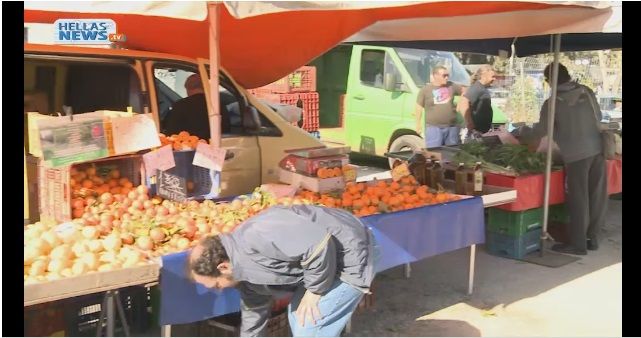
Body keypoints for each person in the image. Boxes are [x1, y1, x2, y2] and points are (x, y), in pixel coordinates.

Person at [188, 205, 377, 337]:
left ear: (223, 267)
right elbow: (254, 312)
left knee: (309, 328)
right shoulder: (242, 274)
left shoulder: (256, 235)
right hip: (325, 265)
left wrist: (314, 291)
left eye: (217, 285)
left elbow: (319, 244)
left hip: (352, 252)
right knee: (297, 316)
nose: (219, 289)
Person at [532, 63, 607, 255]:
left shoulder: (552, 103)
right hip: (597, 149)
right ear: (568, 75)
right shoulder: (587, 92)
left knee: (578, 199)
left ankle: (578, 244)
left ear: (549, 81)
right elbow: (598, 116)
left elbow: (542, 132)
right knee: (597, 196)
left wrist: (522, 134)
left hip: (575, 155)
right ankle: (593, 238)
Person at [162, 74, 231, 139]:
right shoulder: (217, 104)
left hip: (189, 147)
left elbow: (171, 132)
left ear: (187, 88)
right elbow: (226, 129)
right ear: (205, 87)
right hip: (214, 146)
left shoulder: (180, 106)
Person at [415, 65, 464, 148]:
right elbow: (418, 107)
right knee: (435, 154)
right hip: (433, 128)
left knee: (452, 155)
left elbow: (465, 91)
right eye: (444, 75)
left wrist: (460, 104)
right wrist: (418, 125)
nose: (447, 78)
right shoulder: (426, 90)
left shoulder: (451, 86)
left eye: (448, 75)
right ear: (435, 76)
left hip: (451, 127)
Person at [457, 64, 496, 139]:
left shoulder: (482, 88)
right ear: (484, 75)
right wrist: (470, 124)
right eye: (492, 77)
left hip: (481, 131)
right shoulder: (477, 88)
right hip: (476, 132)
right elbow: (463, 103)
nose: (494, 79)